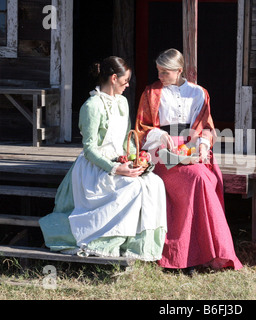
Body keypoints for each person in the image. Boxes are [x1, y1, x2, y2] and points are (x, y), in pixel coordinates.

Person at [39, 56, 167, 261]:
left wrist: (136, 159)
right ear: (114, 78)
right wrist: (116, 169)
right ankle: (107, 242)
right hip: (96, 167)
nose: (127, 85)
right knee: (131, 188)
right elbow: (90, 149)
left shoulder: (123, 102)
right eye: (125, 81)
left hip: (120, 160)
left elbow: (128, 139)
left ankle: (135, 245)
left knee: (155, 183)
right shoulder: (92, 106)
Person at [136, 49, 243, 272]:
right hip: (162, 154)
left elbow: (207, 127)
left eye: (165, 72)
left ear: (179, 70)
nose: (160, 76)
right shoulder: (151, 93)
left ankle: (205, 254)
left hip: (192, 149)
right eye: (158, 71)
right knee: (196, 179)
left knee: (204, 178)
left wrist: (203, 145)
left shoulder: (199, 93)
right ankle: (183, 256)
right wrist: (159, 135)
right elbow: (142, 127)